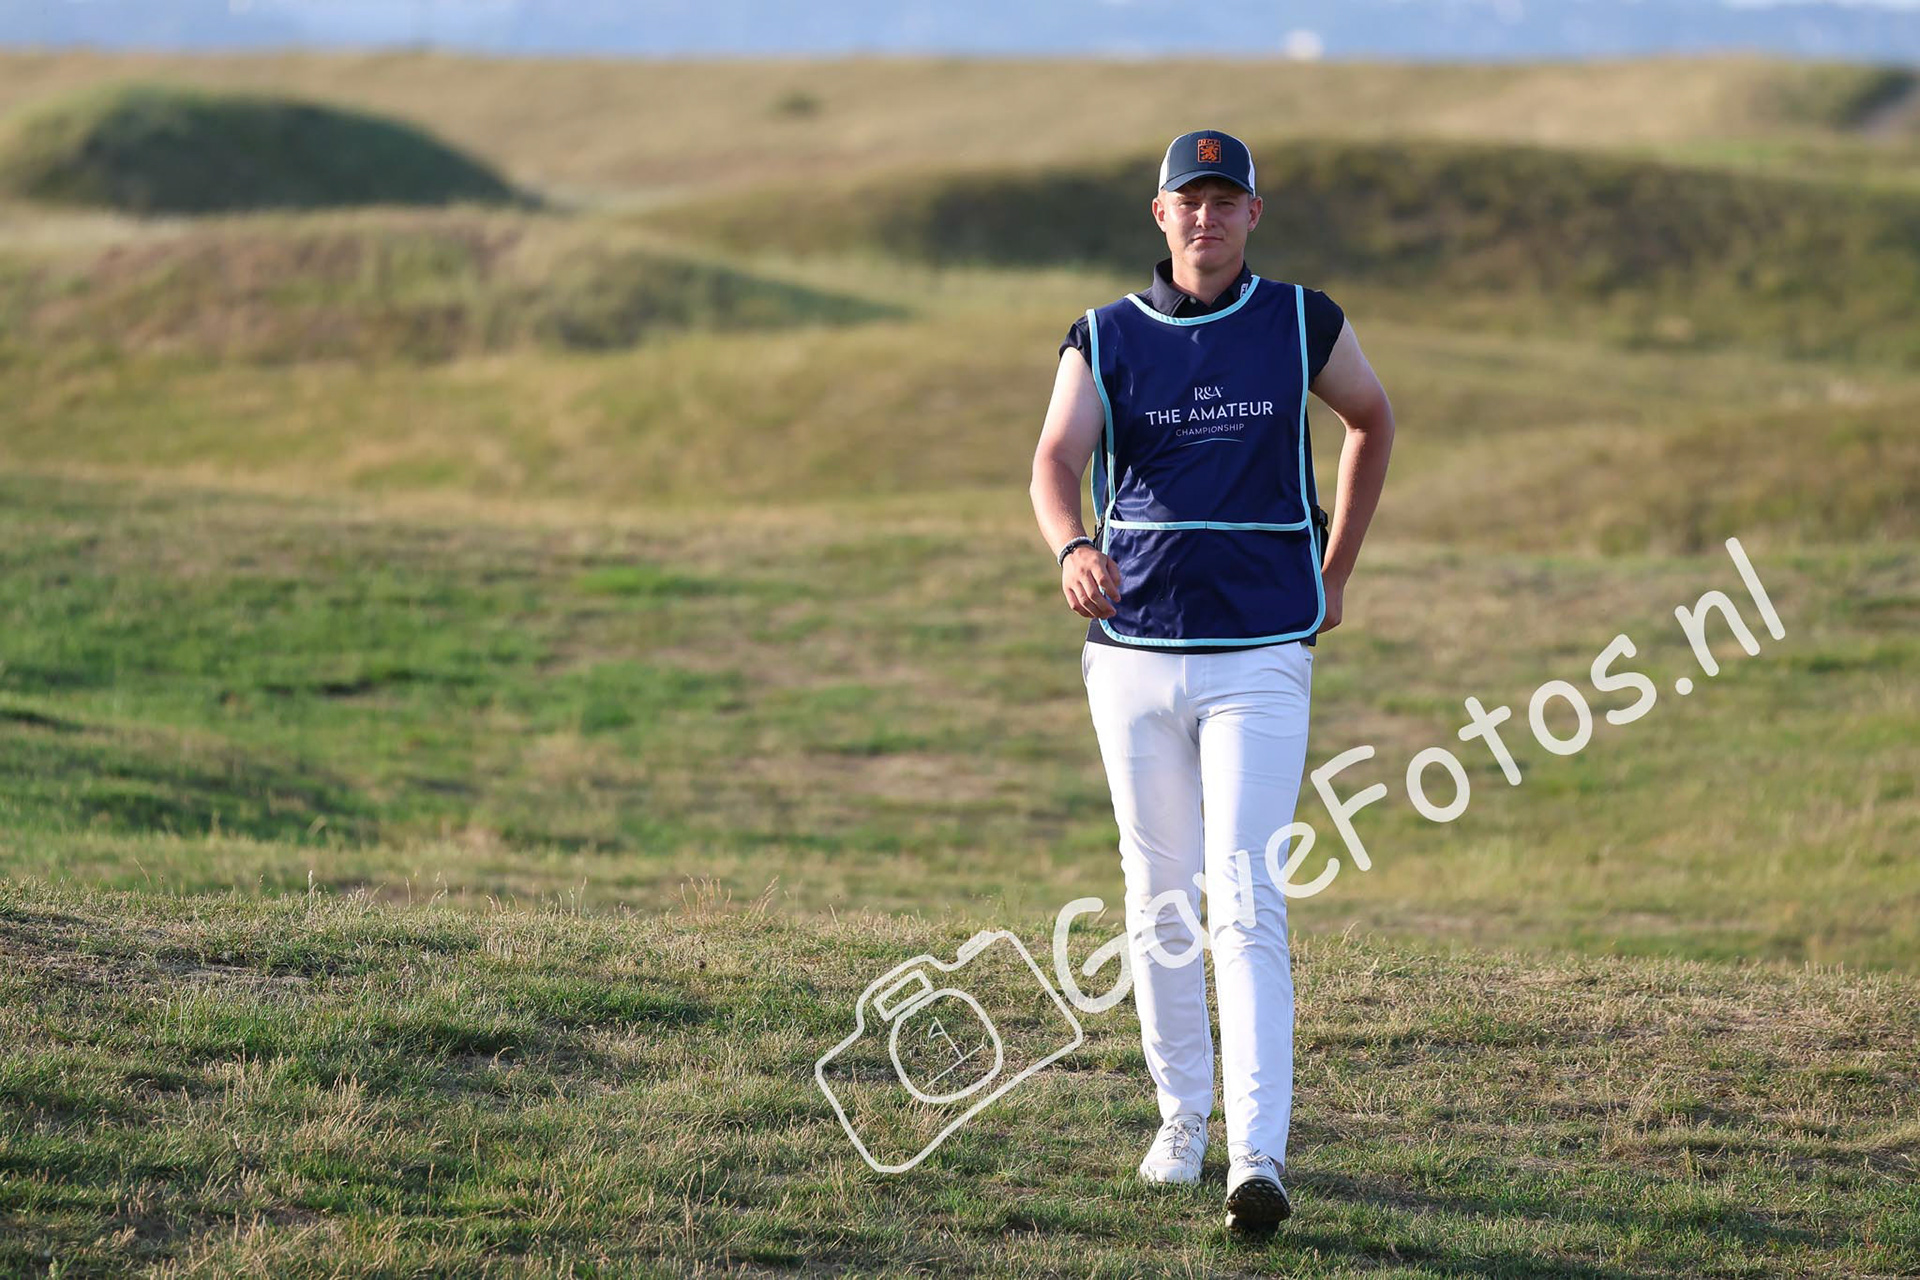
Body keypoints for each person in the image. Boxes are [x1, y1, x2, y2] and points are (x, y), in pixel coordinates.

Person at [1028, 129, 1395, 1237]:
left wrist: (1336, 573)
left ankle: (1257, 1155)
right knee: (1157, 897)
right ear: (1161, 216)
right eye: (1189, 201)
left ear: (1253, 213)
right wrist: (1069, 548)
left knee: (1246, 891)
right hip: (1132, 653)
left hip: (1262, 652)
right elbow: (1055, 458)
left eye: (1225, 201)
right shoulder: (1103, 336)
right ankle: (1180, 1115)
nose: (1206, 218)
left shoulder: (1300, 321)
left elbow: (1373, 419)